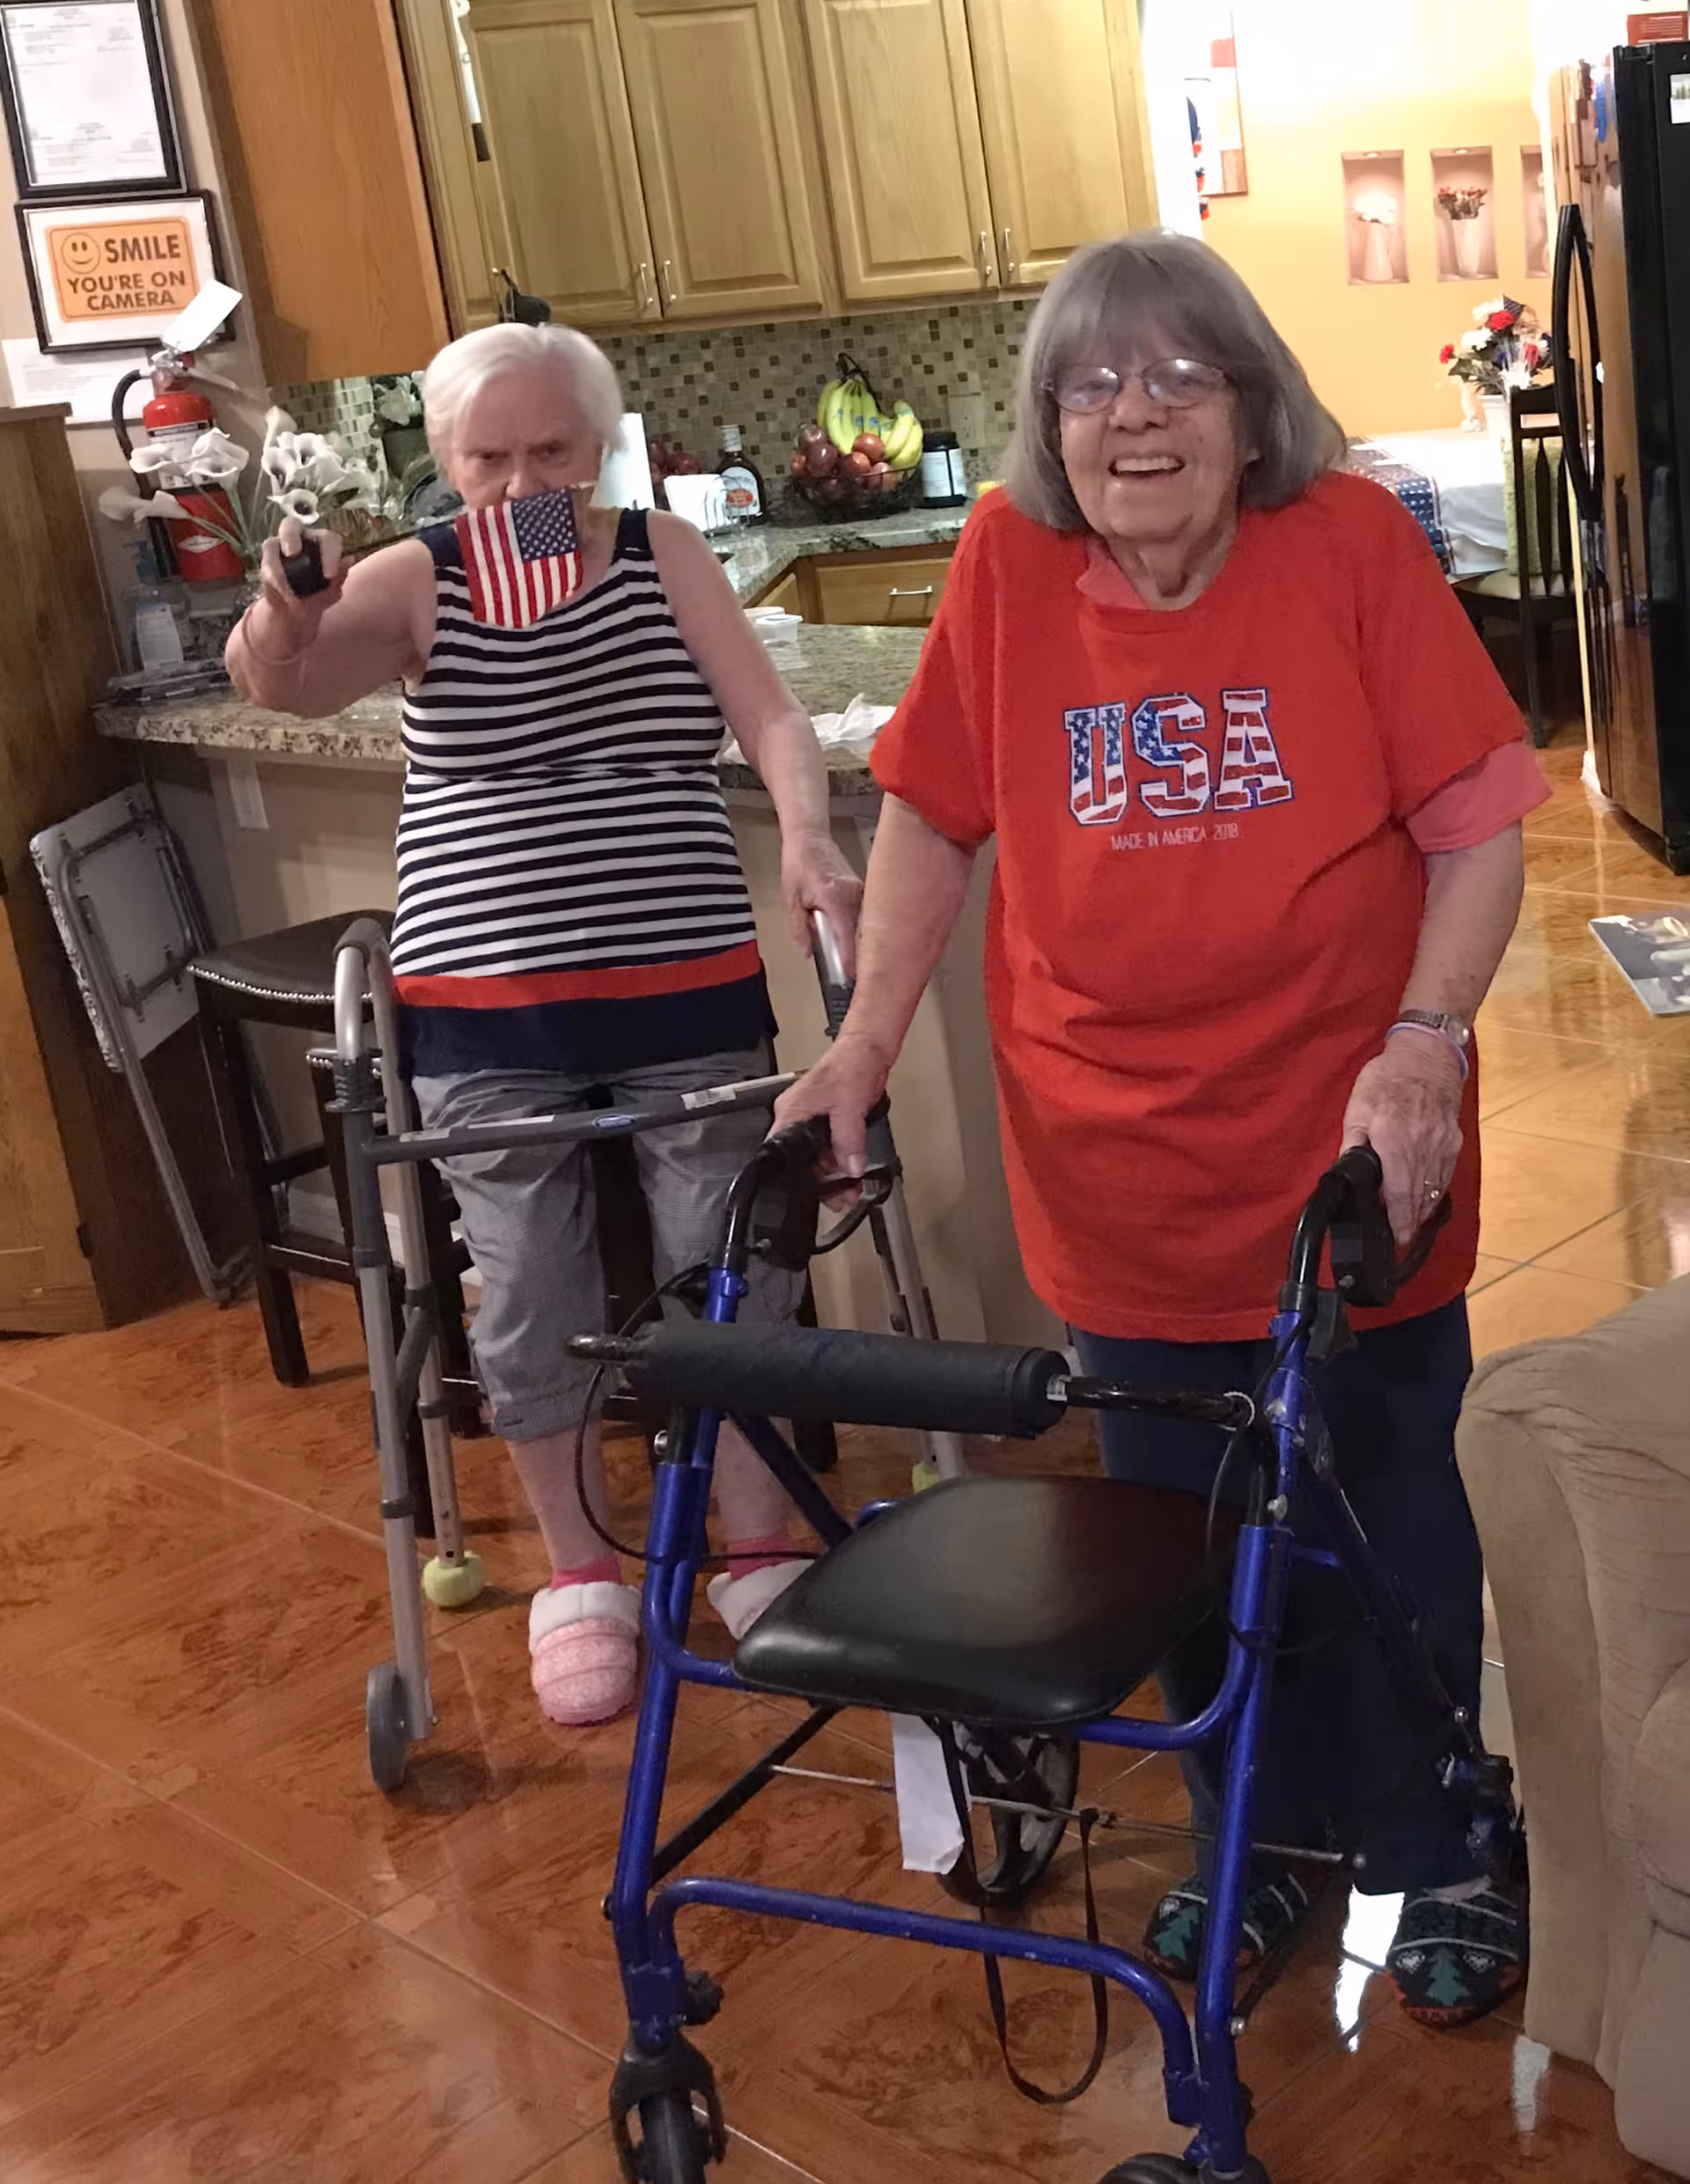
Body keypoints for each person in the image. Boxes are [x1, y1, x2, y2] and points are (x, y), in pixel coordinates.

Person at [773, 232, 1547, 2028]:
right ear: (1048, 422)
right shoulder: (1007, 561)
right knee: (1178, 1525)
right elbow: (930, 819)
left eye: (1180, 377)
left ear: (1251, 403)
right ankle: (1254, 1831)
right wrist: (865, 1042)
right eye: (1091, 383)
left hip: (1355, 1156)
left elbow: (1482, 822)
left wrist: (1426, 1041)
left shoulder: (1346, 546)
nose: (1134, 415)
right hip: (1114, 1162)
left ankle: (1439, 1838)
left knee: (1391, 1500)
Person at [228, 322, 861, 1727]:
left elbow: (767, 721)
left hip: (682, 976)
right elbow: (281, 676)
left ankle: (750, 1537)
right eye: (489, 455)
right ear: (446, 468)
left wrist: (811, 844)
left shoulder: (659, 555)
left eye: (552, 450)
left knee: (726, 1261)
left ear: (601, 446)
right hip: (485, 1002)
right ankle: (581, 1571)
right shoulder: (419, 579)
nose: (523, 476)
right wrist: (285, 601)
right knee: (523, 1283)